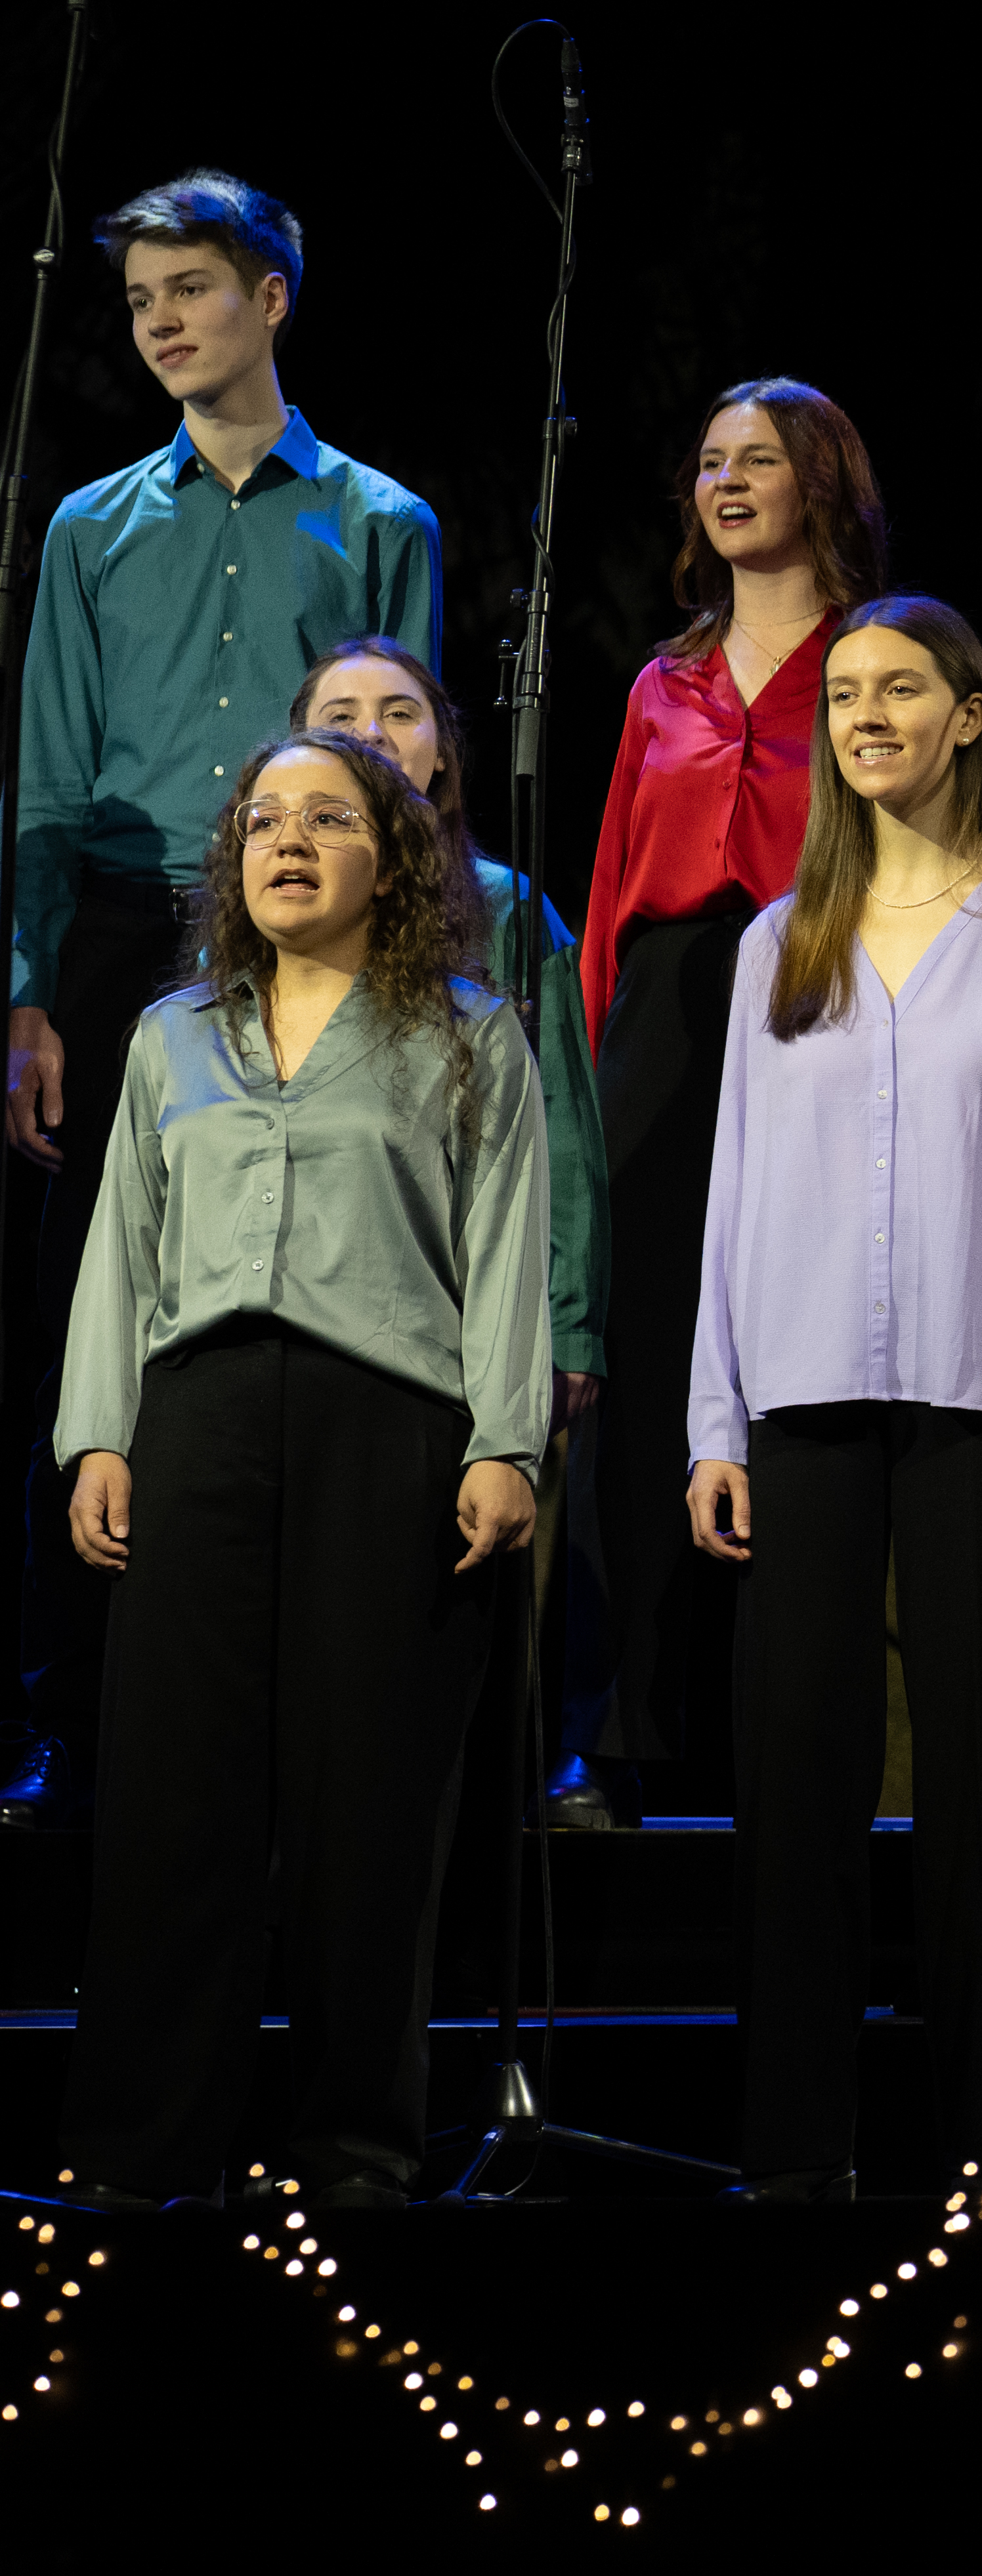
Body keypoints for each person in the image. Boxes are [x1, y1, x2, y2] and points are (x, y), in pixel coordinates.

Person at [46, 730, 538, 2204]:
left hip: (386, 1431)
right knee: (173, 1800)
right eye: (265, 818)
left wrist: (504, 1434)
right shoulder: (173, 1034)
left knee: (368, 1804)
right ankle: (142, 2154)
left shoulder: (468, 1030)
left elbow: (509, 1245)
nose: (290, 841)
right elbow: (119, 1250)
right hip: (196, 1427)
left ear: (391, 861)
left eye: (330, 819)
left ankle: (354, 2157)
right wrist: (96, 1436)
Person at [7, 177, 443, 1831]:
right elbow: (50, 774)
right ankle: (86, 1709)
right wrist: (34, 997)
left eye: (192, 288)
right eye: (138, 302)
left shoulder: (380, 520)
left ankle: (305, 1709)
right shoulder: (92, 527)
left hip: (306, 924)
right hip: (129, 927)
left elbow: (404, 767)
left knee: (298, 1280)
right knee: (100, 1305)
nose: (162, 323)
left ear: (272, 296)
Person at [690, 599, 982, 2197]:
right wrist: (711, 1423)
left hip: (980, 1396)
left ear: (967, 715)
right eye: (846, 693)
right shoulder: (774, 940)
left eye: (900, 690)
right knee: (795, 1773)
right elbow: (733, 1192)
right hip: (796, 1392)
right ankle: (798, 2161)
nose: (866, 713)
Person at [577, 379, 884, 1816]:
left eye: (759, 457)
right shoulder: (666, 681)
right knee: (643, 1363)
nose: (729, 479)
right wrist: (594, 1069)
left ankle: (771, 1726)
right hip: (661, 1023)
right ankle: (630, 1722)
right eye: (709, 461)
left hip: (812, 1002)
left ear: (824, 478)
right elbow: (606, 902)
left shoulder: (876, 663)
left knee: (790, 1346)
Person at [293, 642, 610, 1818]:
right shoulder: (269, 910)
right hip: (336, 1324)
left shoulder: (510, 910)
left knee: (479, 1600)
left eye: (400, 711)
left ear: (444, 751)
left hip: (479, 1315)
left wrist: (569, 1319)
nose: (373, 730)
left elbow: (566, 1131)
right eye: (341, 713)